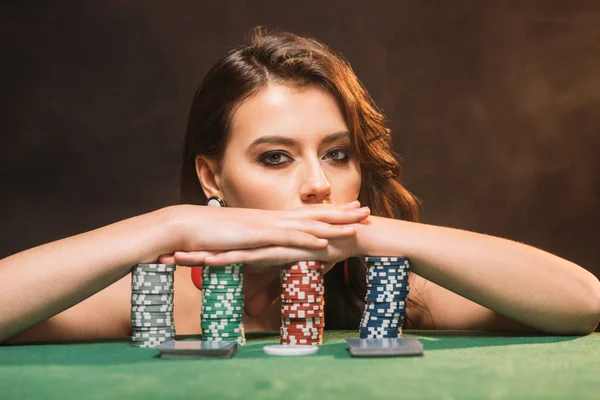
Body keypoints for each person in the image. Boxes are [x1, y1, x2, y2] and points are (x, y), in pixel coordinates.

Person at [1, 27, 599, 345]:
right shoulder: (156, 296)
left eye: (337, 155)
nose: (318, 184)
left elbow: (582, 304)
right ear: (213, 176)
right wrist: (170, 225)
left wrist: (372, 234)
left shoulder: (384, 293)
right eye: (276, 158)